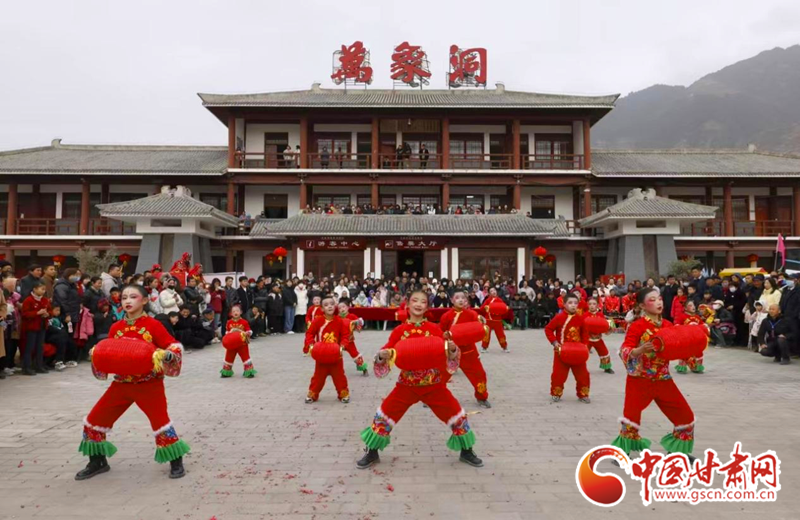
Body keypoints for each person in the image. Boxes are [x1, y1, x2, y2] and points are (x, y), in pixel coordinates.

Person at [356, 289, 481, 469]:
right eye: (415, 300)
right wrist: (382, 356)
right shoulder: (399, 331)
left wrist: (453, 350)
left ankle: (467, 450)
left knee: (456, 414)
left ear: (427, 307)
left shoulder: (434, 329)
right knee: (384, 415)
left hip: (434, 384)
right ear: (407, 304)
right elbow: (387, 351)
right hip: (406, 384)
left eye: (423, 301)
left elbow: (448, 354)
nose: (418, 304)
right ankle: (372, 451)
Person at [75, 284, 189, 480]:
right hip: (121, 384)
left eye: (133, 297)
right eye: (124, 297)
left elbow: (173, 345)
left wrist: (169, 354)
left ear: (144, 300)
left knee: (161, 424)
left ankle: (176, 460)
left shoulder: (153, 325)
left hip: (149, 385)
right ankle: (97, 462)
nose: (127, 301)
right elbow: (111, 351)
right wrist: (98, 354)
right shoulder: (116, 327)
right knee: (94, 421)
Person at [610, 287, 695, 460]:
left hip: (663, 379)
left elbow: (677, 347)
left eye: (660, 299)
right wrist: (639, 350)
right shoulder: (637, 326)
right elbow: (625, 349)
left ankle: (678, 452)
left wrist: (692, 346)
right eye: (653, 299)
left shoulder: (668, 325)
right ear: (642, 305)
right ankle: (622, 454)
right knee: (631, 418)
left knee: (685, 416)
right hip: (639, 380)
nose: (658, 302)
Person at [439, 289, 492, 408]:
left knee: (479, 374)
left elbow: (477, 330)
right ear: (452, 300)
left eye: (463, 298)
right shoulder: (446, 316)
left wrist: (482, 324)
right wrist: (445, 337)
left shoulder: (472, 315)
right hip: (451, 352)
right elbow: (440, 332)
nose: (461, 300)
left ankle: (482, 397)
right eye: (457, 298)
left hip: (469, 351)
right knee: (441, 376)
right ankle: (432, 397)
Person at [303, 294, 352, 403]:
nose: (329, 306)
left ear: (335, 306)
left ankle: (343, 394)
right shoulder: (318, 321)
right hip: (322, 354)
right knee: (318, 377)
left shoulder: (339, 321)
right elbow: (309, 333)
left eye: (332, 304)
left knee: (339, 376)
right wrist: (311, 345)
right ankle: (312, 394)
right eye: (326, 305)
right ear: (322, 309)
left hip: (336, 354)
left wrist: (342, 346)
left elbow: (345, 335)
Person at [544, 293, 591, 402]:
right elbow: (548, 329)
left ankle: (583, 394)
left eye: (575, 303)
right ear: (564, 304)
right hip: (561, 351)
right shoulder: (559, 317)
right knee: (558, 374)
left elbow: (585, 333)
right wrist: (554, 342)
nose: (573, 305)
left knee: (583, 374)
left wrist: (585, 346)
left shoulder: (580, 318)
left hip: (577, 352)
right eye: (570, 303)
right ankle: (556, 393)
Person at [21, 280, 51, 375]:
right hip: (31, 327)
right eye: (41, 289)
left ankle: (39, 366)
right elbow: (25, 314)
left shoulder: (45, 300)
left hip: (42, 326)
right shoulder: (28, 300)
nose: (43, 291)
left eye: (44, 289)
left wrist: (47, 314)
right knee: (29, 347)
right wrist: (37, 313)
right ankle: (27, 367)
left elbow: (50, 311)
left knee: (40, 347)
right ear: (34, 289)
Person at [221, 304, 256, 378]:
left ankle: (249, 372)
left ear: (241, 312)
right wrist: (230, 332)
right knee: (229, 357)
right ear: (231, 313)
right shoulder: (229, 322)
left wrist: (244, 332)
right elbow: (227, 332)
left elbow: (249, 331)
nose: (235, 312)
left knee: (245, 357)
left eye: (237, 311)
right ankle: (226, 372)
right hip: (232, 343)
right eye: (233, 311)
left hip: (242, 344)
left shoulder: (244, 322)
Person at [674, 300, 708, 374]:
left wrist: (705, 327)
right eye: (690, 305)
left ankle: (697, 367)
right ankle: (682, 367)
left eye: (693, 305)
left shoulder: (697, 317)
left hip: (696, 339)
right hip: (686, 339)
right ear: (685, 308)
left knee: (698, 352)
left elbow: (702, 325)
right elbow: (677, 325)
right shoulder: (682, 316)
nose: (693, 307)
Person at [585, 297, 614, 374]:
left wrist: (609, 328)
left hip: (598, 338)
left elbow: (604, 326)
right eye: (590, 304)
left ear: (597, 305)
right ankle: (580, 367)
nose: (592, 306)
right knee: (583, 353)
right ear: (587, 305)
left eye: (594, 304)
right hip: (587, 339)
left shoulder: (600, 315)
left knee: (604, 352)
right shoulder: (585, 315)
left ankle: (607, 368)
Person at [46, 305, 78, 371]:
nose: (58, 312)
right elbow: (49, 328)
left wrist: (63, 332)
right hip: (50, 336)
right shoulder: (49, 318)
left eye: (59, 310)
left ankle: (68, 359)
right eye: (56, 310)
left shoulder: (58, 319)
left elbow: (62, 327)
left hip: (59, 335)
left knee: (70, 341)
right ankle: (58, 361)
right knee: (61, 340)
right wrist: (60, 332)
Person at [479, 287, 508, 352]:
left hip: (498, 320)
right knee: (486, 334)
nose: (493, 292)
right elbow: (482, 309)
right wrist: (486, 308)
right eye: (491, 291)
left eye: (494, 290)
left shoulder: (500, 300)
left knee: (500, 334)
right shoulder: (487, 300)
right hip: (489, 320)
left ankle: (504, 346)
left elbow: (503, 309)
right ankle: (484, 347)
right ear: (489, 293)